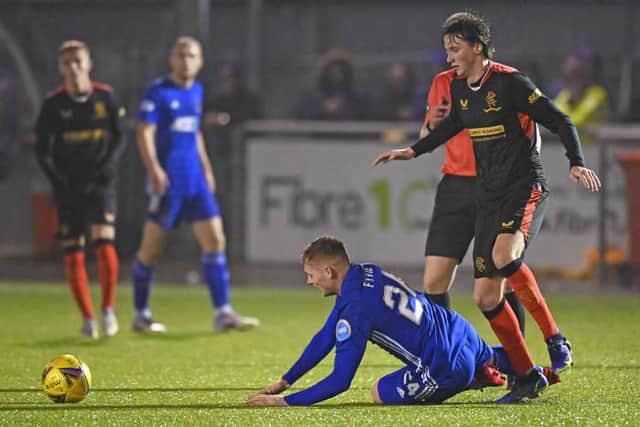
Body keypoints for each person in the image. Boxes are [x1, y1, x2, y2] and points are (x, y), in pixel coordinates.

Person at [373, 11, 601, 401]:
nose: (449, 57)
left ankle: (555, 336)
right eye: (447, 50)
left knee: (504, 255)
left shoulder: (511, 83)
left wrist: (576, 162)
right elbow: (450, 127)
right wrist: (412, 151)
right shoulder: (460, 89)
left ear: (477, 47)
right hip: (489, 196)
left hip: (524, 187)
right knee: (485, 297)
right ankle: (527, 375)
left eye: (455, 49)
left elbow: (560, 120)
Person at [248, 236, 558, 406]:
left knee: (378, 392)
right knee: (487, 357)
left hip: (445, 366)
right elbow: (326, 335)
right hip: (458, 329)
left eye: (310, 275)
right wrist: (286, 380)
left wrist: (286, 402)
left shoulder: (355, 309)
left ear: (329, 272)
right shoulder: (365, 272)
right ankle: (527, 372)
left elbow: (341, 381)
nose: (308, 281)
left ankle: (475, 377)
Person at [132, 36, 259, 333]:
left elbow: (196, 133)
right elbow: (144, 132)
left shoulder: (198, 91)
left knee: (215, 240)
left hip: (195, 181)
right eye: (180, 55)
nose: (185, 60)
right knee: (151, 248)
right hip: (168, 182)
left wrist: (206, 169)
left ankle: (223, 312)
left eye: (191, 55)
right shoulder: (158, 91)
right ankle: (141, 313)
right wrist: (154, 170)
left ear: (200, 62)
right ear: (171, 60)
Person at [34, 40, 123, 339]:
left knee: (104, 243)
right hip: (70, 187)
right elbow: (41, 149)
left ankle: (108, 310)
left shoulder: (105, 97)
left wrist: (109, 166)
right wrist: (56, 181)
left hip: (99, 184)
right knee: (73, 254)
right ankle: (87, 318)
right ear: (60, 68)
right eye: (67, 63)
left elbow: (119, 138)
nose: (73, 68)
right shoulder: (53, 105)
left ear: (89, 63)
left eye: (78, 61)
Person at [553, 48, 610, 144]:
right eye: (570, 74)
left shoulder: (597, 94)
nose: (573, 79)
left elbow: (575, 122)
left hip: (593, 151)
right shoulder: (563, 95)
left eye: (577, 74)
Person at [294, 49, 368, 120]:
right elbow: (298, 115)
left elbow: (369, 116)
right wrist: (323, 109)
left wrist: (344, 108)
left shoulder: (358, 97)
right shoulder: (313, 97)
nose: (336, 73)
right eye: (332, 68)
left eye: (341, 68)